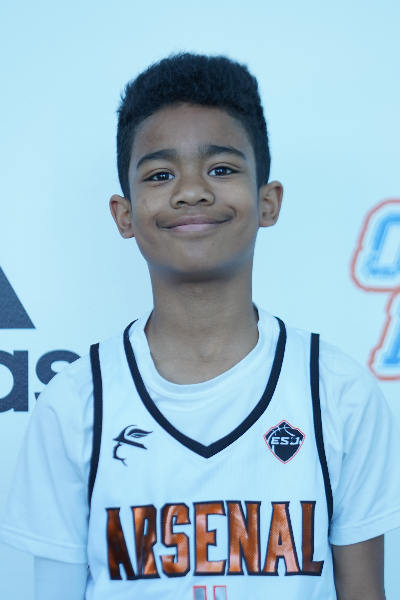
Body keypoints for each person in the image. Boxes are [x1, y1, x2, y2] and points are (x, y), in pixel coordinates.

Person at [1, 53, 399, 600]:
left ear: (268, 202)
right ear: (124, 214)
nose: (192, 191)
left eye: (222, 169)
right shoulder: (74, 403)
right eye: (160, 175)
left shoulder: (339, 394)